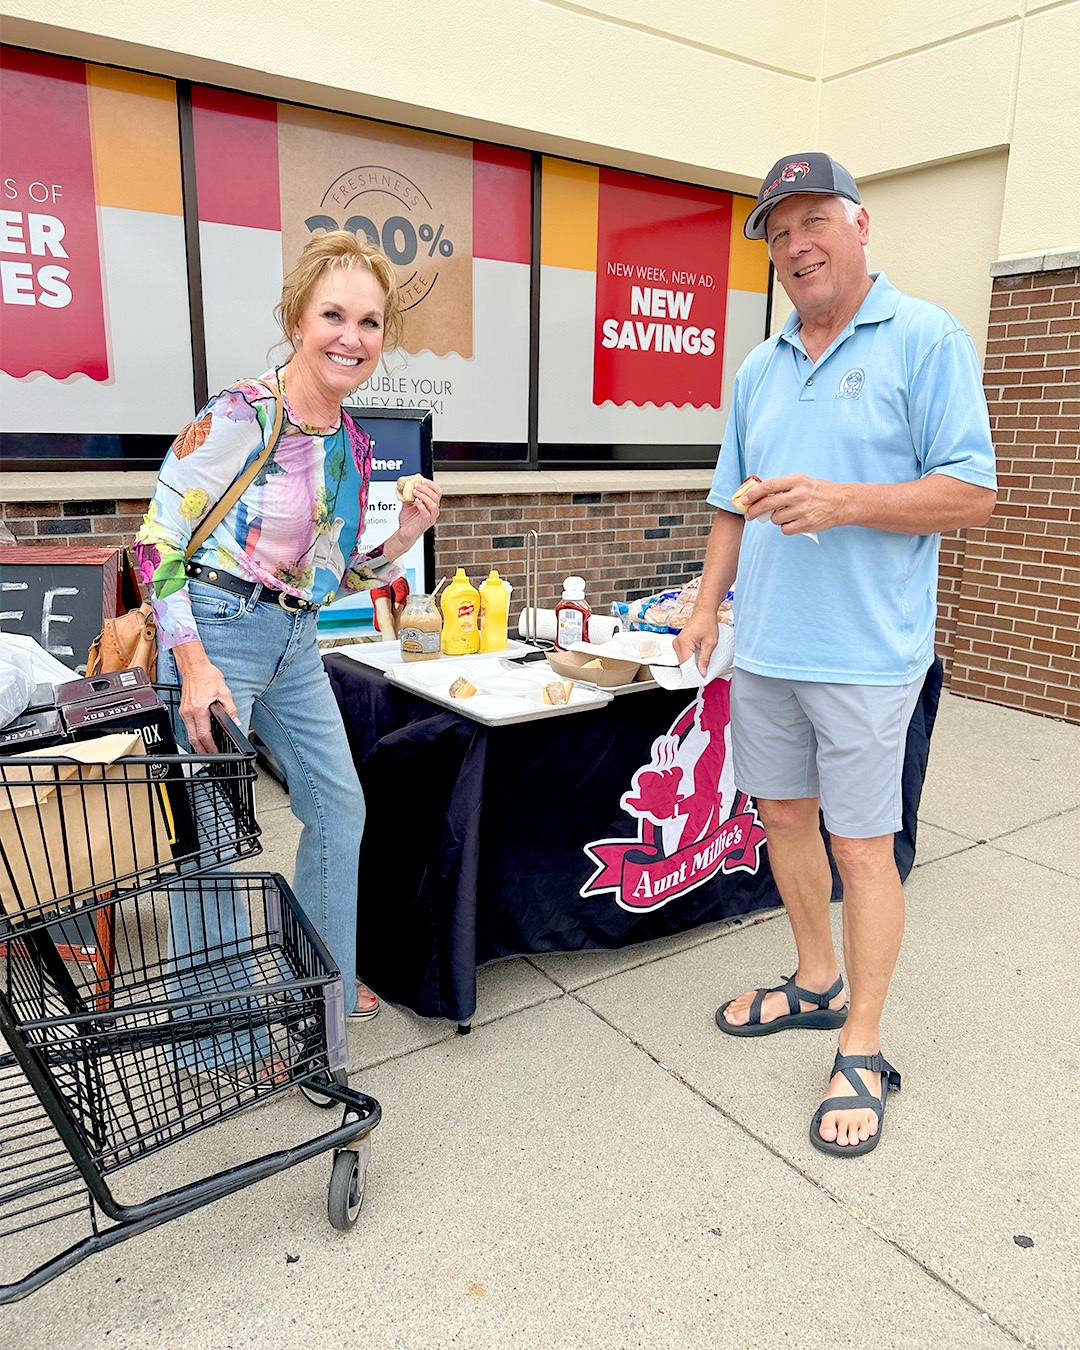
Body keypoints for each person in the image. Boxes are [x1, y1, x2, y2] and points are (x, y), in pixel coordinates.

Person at [675, 153, 996, 1156]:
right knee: (785, 820)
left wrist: (846, 500)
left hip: (867, 656)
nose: (795, 245)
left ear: (860, 226)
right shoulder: (760, 368)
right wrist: (706, 602)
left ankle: (862, 1040)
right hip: (767, 650)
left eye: (813, 221)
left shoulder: (925, 337)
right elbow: (734, 499)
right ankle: (814, 981)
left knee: (864, 847)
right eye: (777, 232)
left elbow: (973, 494)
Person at [134, 230, 441, 1039]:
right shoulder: (243, 413)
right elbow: (153, 542)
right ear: (297, 319)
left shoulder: (352, 441)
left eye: (370, 323)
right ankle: (218, 1041)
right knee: (212, 844)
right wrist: (192, 665)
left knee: (337, 809)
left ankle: (318, 996)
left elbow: (326, 576)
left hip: (295, 642)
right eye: (334, 315)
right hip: (216, 633)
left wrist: (401, 540)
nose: (352, 336)